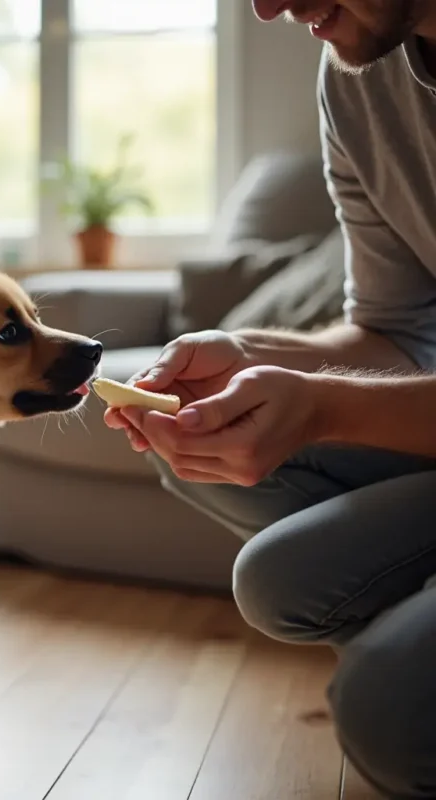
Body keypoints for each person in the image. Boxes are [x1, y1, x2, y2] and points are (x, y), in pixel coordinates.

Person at [104, 2, 436, 797]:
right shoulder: (358, 79)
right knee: (270, 564)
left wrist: (323, 407)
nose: (265, 6)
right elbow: (394, 332)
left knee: (386, 710)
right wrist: (251, 352)